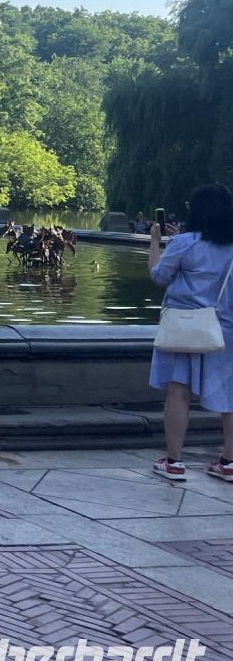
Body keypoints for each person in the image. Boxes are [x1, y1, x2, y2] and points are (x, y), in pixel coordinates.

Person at [148, 183, 233, 482]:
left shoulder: (183, 242)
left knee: (178, 392)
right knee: (230, 397)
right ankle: (229, 463)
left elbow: (159, 276)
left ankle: (174, 462)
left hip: (185, 326)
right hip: (225, 329)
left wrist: (157, 242)